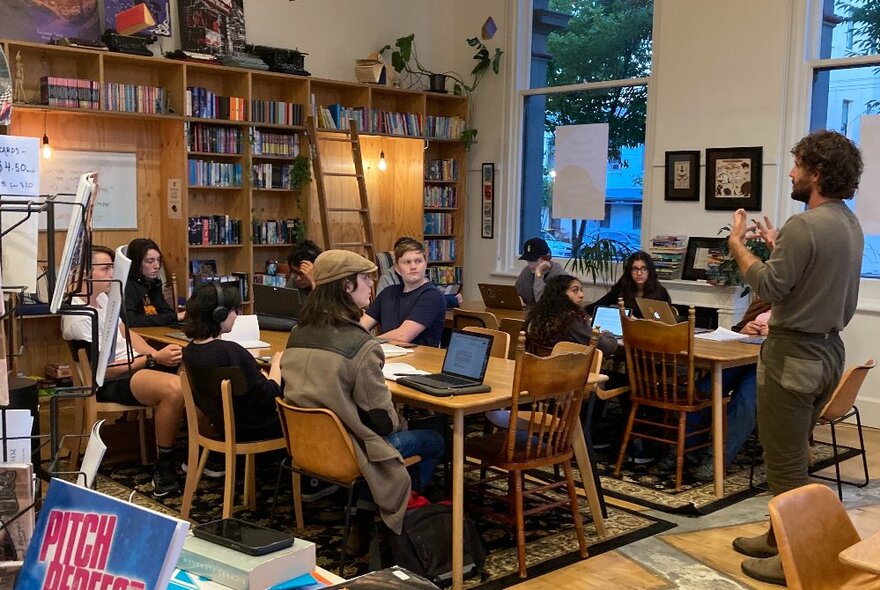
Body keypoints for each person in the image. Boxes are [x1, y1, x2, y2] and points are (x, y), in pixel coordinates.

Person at [728, 129, 864, 586]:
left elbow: (769, 287)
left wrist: (739, 247)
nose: (791, 172)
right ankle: (776, 537)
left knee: (784, 462)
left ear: (817, 173)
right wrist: (777, 247)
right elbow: (804, 277)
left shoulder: (805, 225)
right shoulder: (848, 222)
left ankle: (795, 558)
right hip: (828, 352)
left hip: (793, 354)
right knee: (796, 450)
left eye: (798, 164)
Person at [281, 249, 445, 537]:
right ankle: (403, 519)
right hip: (351, 451)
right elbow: (380, 421)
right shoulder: (362, 346)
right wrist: (402, 422)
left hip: (307, 446)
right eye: (365, 279)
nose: (372, 284)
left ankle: (370, 506)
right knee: (434, 438)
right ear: (347, 285)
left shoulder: (297, 333)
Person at [61, 245, 185, 498]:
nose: (111, 274)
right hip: (106, 382)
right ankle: (164, 465)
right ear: (86, 273)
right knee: (173, 389)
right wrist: (150, 360)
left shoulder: (104, 299)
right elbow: (102, 372)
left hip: (131, 367)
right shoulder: (78, 315)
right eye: (105, 268)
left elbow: (127, 333)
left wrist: (154, 355)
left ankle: (204, 453)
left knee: (195, 369)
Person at [685, 299, 771, 482]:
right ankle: (687, 447)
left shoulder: (798, 306)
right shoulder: (762, 302)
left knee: (745, 400)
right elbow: (735, 331)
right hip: (740, 358)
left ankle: (716, 458)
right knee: (704, 389)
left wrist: (777, 336)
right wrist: (743, 331)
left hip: (770, 364)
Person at [360, 238, 446, 346]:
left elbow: (403, 336)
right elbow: (361, 326)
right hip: (388, 356)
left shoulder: (432, 295)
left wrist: (366, 341)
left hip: (421, 360)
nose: (413, 266)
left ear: (425, 264)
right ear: (397, 268)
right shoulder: (388, 293)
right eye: (407, 262)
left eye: (418, 261)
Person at [524, 274, 617, 357]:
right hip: (569, 371)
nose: (581, 295)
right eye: (575, 290)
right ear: (560, 294)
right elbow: (607, 348)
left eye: (581, 290)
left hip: (539, 370)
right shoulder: (570, 320)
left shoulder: (537, 316)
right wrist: (608, 334)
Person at [589, 251, 671, 318]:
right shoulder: (621, 289)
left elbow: (664, 322)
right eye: (635, 269)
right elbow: (597, 306)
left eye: (644, 269)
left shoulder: (660, 293)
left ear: (650, 271)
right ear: (629, 271)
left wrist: (635, 321)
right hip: (625, 333)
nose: (639, 273)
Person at [124, 238, 184, 327]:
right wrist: (175, 317)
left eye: (158, 260)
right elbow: (131, 320)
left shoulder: (153, 283)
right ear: (136, 263)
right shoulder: (127, 285)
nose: (157, 266)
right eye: (150, 261)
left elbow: (166, 312)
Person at [514, 237, 566, 307]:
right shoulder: (526, 271)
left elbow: (543, 304)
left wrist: (538, 274)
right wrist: (518, 299)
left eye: (534, 261)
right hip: (528, 315)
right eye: (528, 261)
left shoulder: (561, 276)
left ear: (546, 258)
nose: (531, 266)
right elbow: (517, 292)